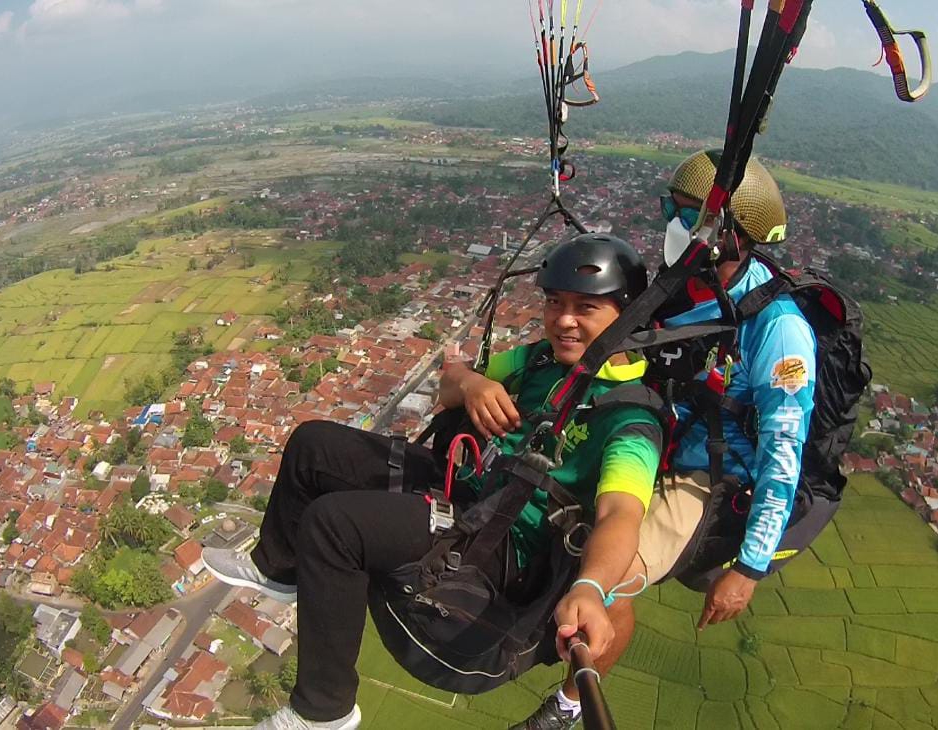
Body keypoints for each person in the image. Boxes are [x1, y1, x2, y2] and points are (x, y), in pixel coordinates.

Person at [202, 232, 661, 730]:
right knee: (314, 446)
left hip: (506, 550)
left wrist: (591, 587)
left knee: (335, 526)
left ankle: (322, 711)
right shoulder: (539, 363)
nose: (563, 320)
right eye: (555, 302)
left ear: (628, 314)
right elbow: (451, 379)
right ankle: (281, 569)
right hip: (474, 489)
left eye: (585, 307)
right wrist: (473, 384)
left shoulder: (630, 421)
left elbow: (621, 513)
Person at [514, 151, 815, 730]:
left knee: (608, 576)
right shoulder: (686, 290)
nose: (671, 225)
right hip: (651, 439)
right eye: (671, 210)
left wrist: (748, 570)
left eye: (684, 213)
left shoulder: (778, 330)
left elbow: (784, 453)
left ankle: (570, 705)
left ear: (731, 235)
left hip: (706, 476)